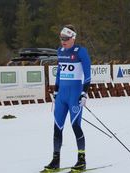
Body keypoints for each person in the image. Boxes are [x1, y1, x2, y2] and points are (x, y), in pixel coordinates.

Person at [44, 24, 91, 171]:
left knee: (76, 126)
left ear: (73, 38)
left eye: (66, 38)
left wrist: (84, 93)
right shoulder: (60, 51)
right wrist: (56, 90)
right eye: (61, 38)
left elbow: (88, 74)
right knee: (57, 127)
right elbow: (59, 72)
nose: (63, 41)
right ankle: (55, 160)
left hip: (74, 96)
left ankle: (81, 160)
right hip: (62, 96)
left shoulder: (81, 52)